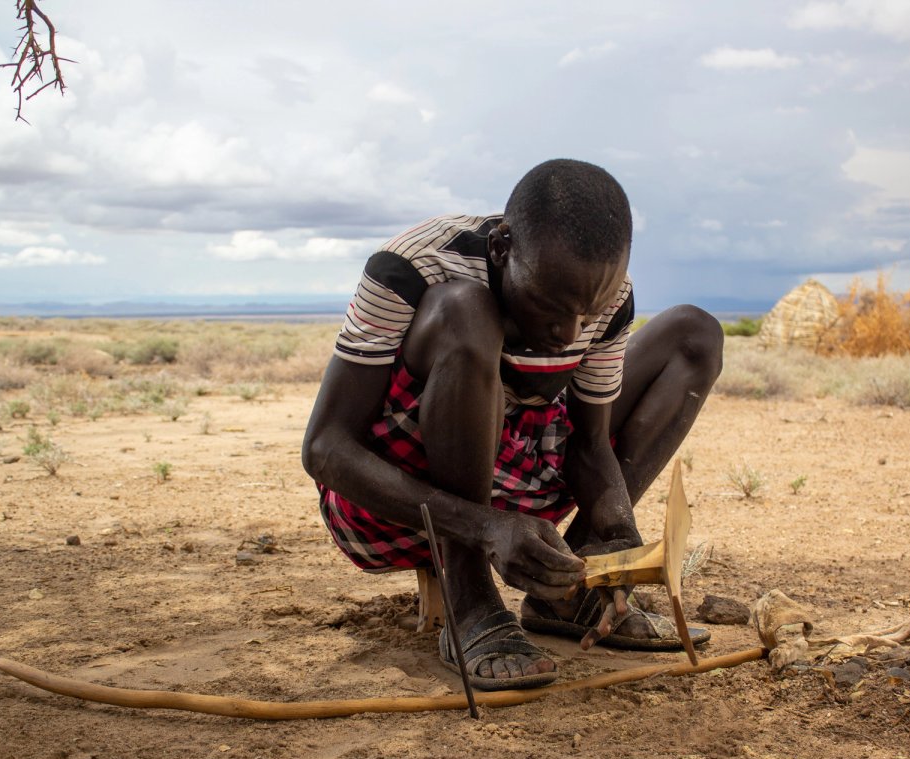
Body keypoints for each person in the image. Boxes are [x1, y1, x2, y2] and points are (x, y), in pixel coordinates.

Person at [303, 159, 723, 690]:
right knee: (464, 308)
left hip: (522, 491)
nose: (566, 331)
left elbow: (589, 445)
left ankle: (568, 598)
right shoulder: (412, 265)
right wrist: (484, 526)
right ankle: (470, 597)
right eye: (551, 306)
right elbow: (324, 448)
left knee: (694, 334)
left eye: (586, 316)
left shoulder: (601, 293)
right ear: (502, 247)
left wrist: (614, 532)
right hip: (396, 503)